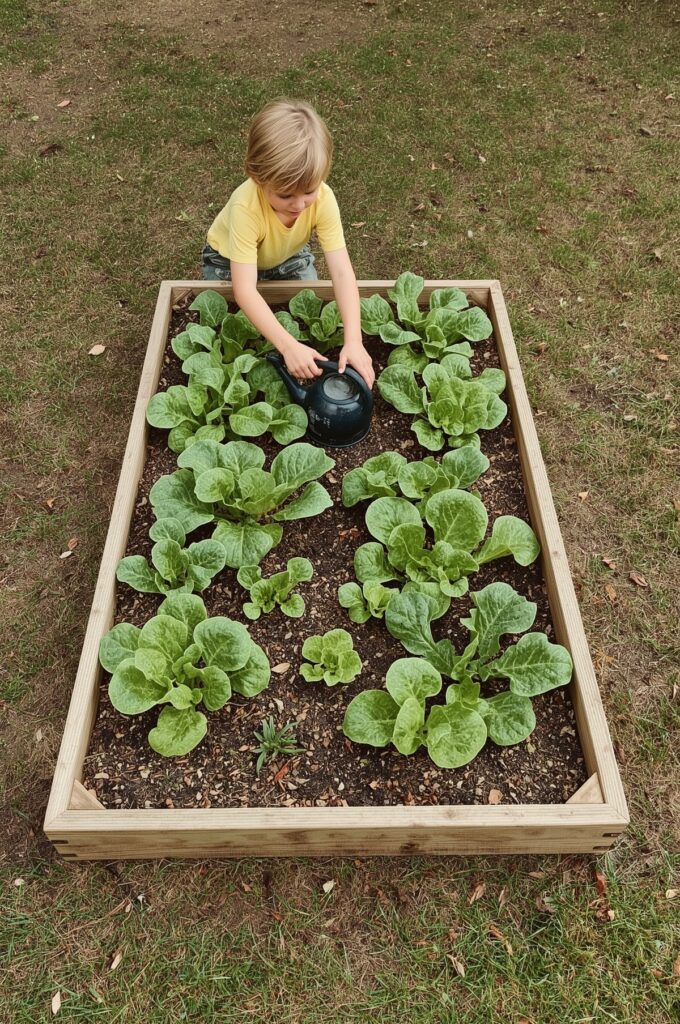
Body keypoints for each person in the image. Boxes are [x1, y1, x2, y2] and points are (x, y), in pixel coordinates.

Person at [201, 98, 374, 387]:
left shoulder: (323, 199)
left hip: (289, 256)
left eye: (309, 191)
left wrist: (354, 340)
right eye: (284, 196)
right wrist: (287, 346)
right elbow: (244, 289)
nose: (299, 204)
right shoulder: (246, 207)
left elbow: (342, 272)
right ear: (257, 176)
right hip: (225, 260)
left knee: (308, 314)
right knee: (231, 324)